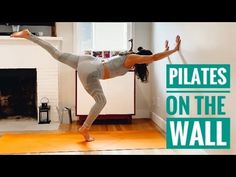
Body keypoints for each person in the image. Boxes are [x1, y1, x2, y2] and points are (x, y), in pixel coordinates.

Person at [10, 29, 181, 142]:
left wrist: (164, 49)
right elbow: (153, 58)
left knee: (57, 54)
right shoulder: (134, 58)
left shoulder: (129, 56)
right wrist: (173, 50)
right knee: (101, 101)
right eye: (146, 60)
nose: (147, 63)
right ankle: (85, 129)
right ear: (142, 58)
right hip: (92, 71)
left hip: (86, 60)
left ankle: (29, 35)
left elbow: (152, 56)